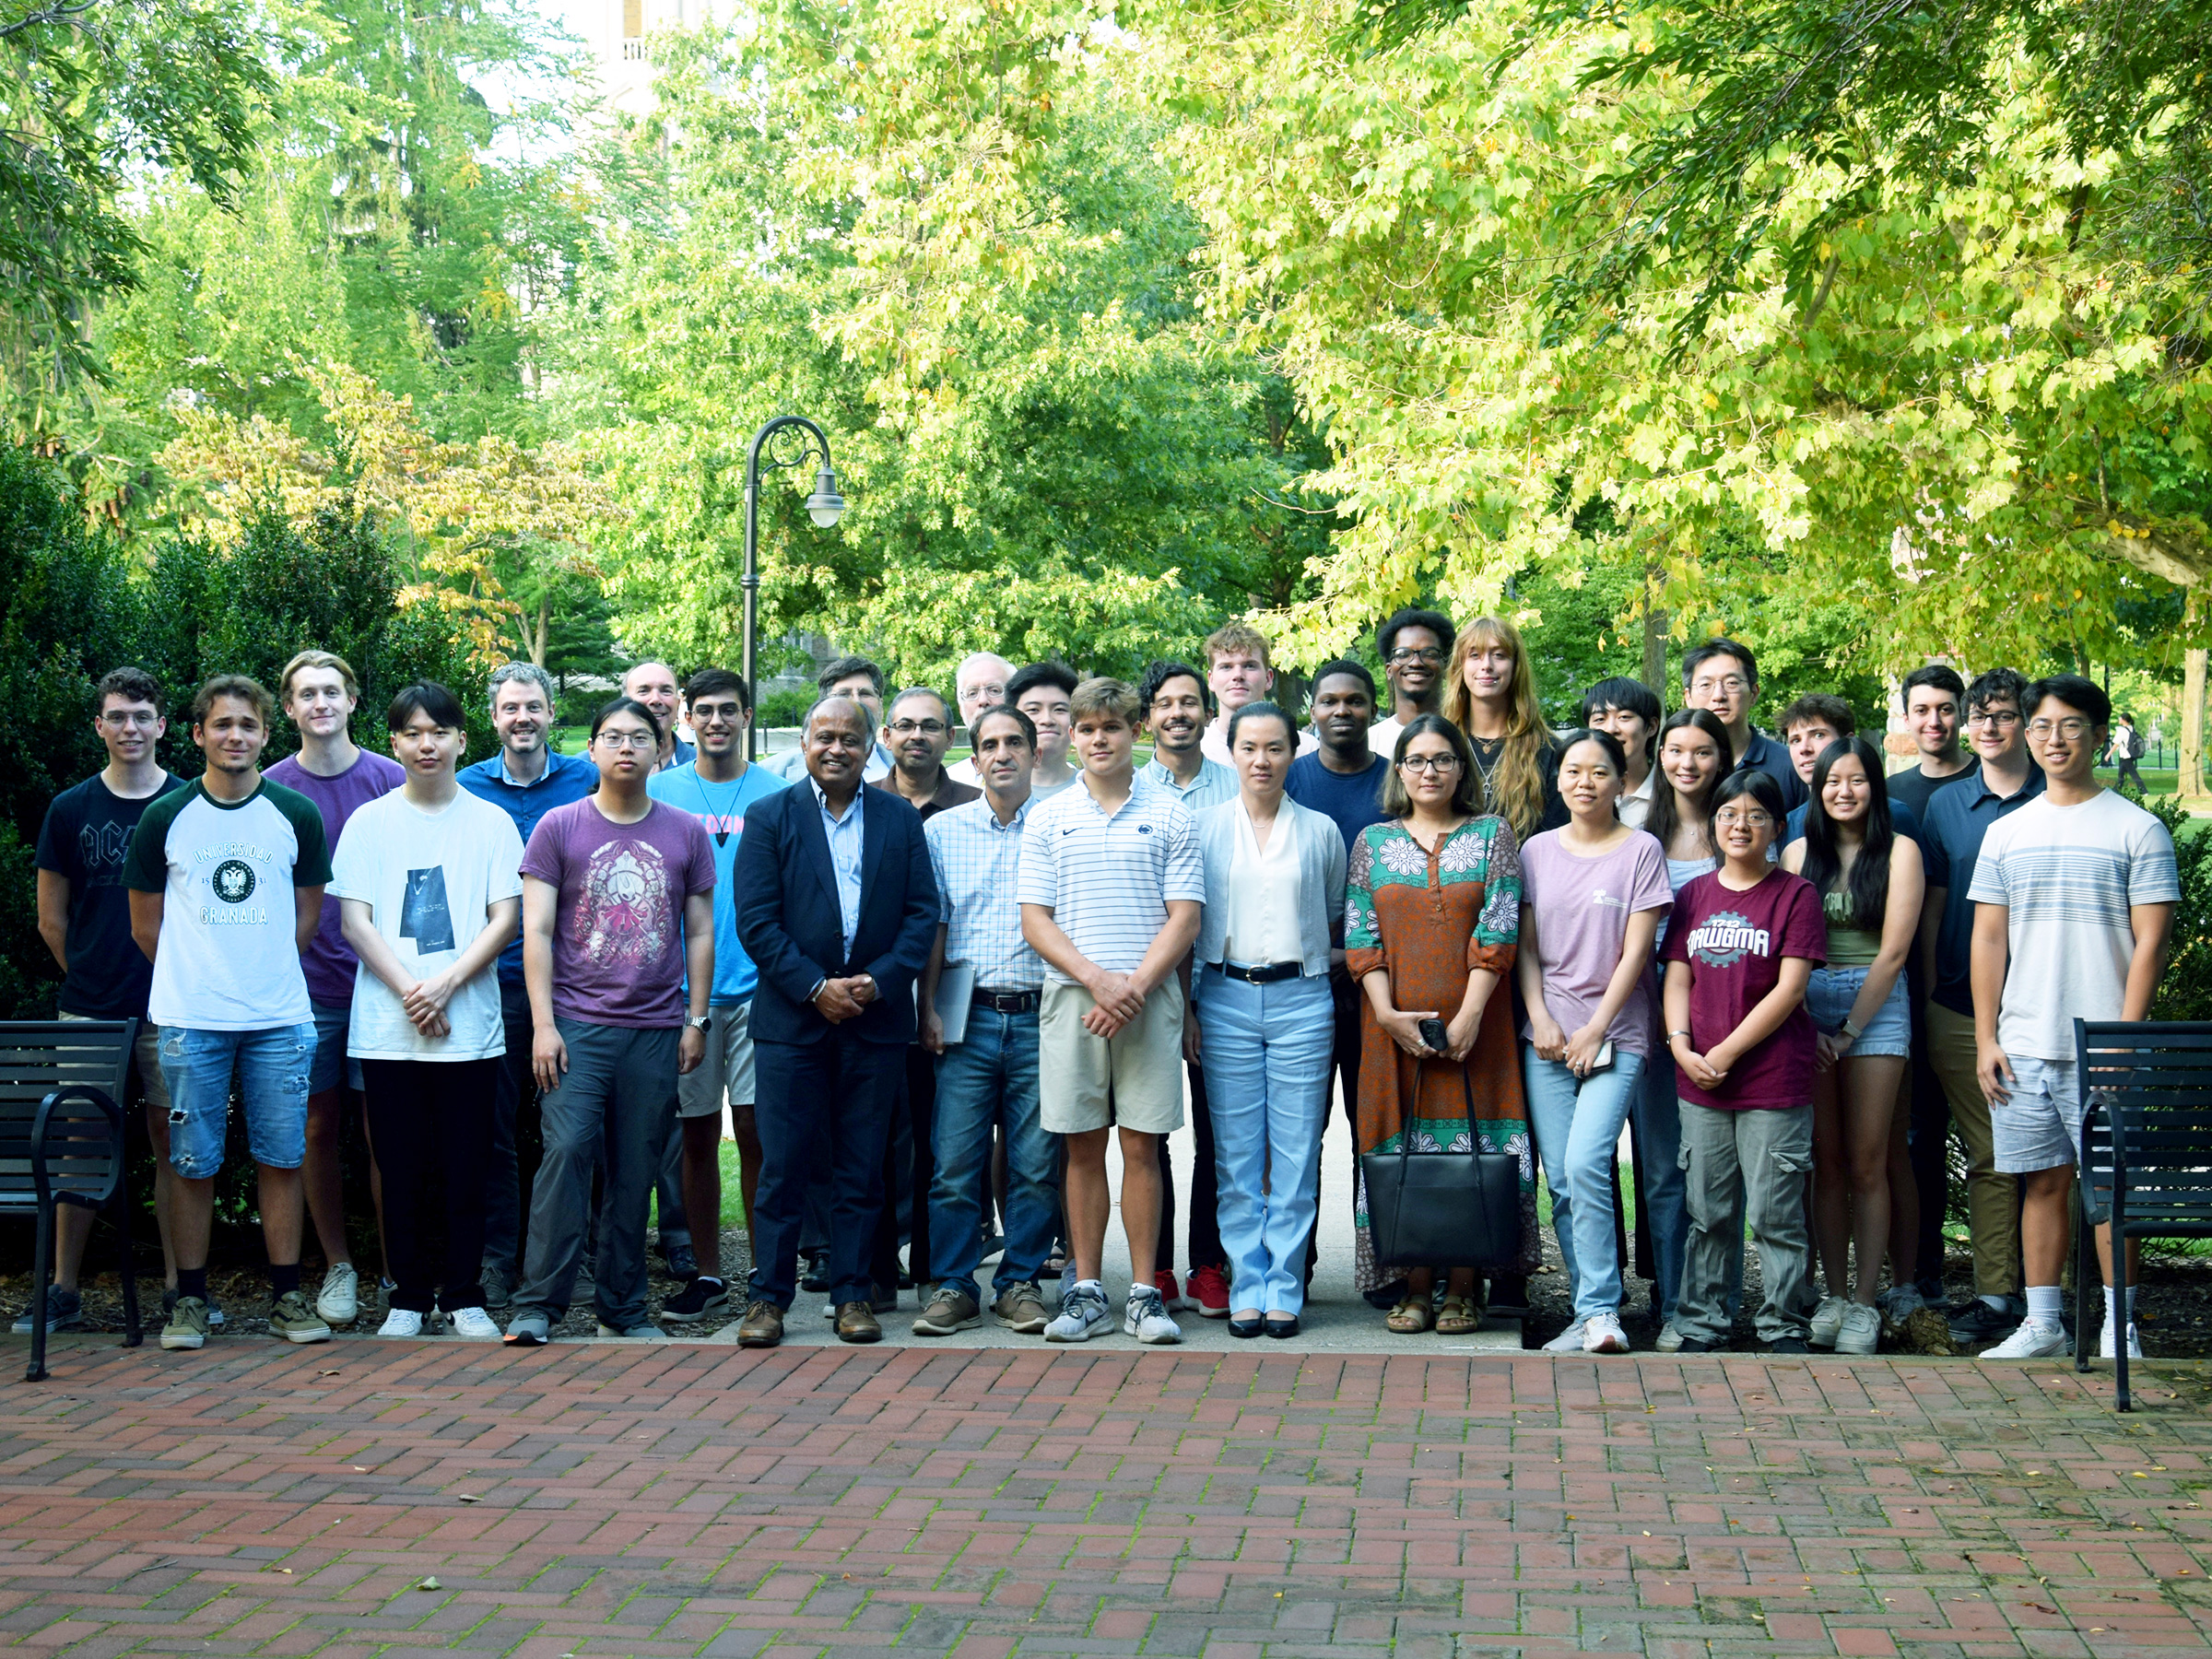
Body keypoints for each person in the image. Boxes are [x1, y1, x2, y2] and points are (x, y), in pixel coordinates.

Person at [124, 676, 335, 1350]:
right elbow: (145, 928)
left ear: (265, 734)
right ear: (196, 735)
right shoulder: (165, 818)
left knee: (281, 1156)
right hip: (189, 1019)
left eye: (247, 725)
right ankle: (190, 1302)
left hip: (279, 1017)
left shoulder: (295, 815)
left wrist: (258, 969)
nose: (235, 736)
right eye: (221, 725)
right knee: (191, 1162)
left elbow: (306, 918)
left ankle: (286, 1298)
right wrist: (205, 975)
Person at [1971, 675, 2177, 1360]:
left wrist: (2124, 1038)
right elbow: (1989, 940)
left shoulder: (2136, 828)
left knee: (2112, 1189)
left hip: (2105, 1045)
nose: (2053, 739)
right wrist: (1985, 1037)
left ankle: (2121, 1327)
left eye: (2069, 726)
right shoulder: (2006, 833)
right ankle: (2044, 1325)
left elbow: (2151, 941)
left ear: (2098, 732)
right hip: (2024, 1042)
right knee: (2041, 1183)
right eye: (2041, 727)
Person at [501, 697, 717, 1346]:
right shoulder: (559, 827)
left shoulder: (684, 831)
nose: (626, 747)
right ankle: (539, 1302)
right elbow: (535, 930)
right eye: (612, 736)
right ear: (591, 750)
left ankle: (623, 1309)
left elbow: (700, 930)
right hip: (576, 1027)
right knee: (565, 1155)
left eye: (640, 737)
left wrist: (696, 1019)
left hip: (655, 1029)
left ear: (659, 751)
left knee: (635, 1166)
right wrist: (544, 1025)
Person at [730, 693, 939, 1348]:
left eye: (851, 738)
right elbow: (756, 923)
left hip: (874, 1023)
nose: (837, 748)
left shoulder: (900, 820)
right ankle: (769, 1299)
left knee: (861, 1166)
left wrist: (876, 984)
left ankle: (854, 1295)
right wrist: (815, 987)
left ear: (869, 745)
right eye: (825, 736)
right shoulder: (769, 818)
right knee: (784, 1168)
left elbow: (920, 915)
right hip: (793, 1023)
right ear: (804, 740)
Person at [330, 682, 524, 1340]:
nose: (426, 744)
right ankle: (409, 1297)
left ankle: (465, 1292)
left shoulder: (491, 823)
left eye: (438, 732)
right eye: (412, 733)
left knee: (469, 1163)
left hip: (470, 1027)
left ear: (462, 740)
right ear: (394, 743)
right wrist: (413, 993)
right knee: (402, 1165)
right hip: (387, 1029)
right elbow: (355, 921)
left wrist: (444, 986)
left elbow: (506, 917)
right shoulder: (370, 822)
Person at [1018, 677, 1204, 1345]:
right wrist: (1098, 980)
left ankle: (1147, 1294)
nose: (1100, 739)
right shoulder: (1048, 815)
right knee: (1081, 1147)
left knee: (1143, 1146)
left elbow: (1185, 918)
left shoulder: (1173, 812)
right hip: (1075, 999)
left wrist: (1133, 988)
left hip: (1148, 1003)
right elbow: (1035, 919)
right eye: (1088, 728)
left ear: (1137, 734)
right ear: (1072, 736)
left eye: (1114, 728)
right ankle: (1088, 1289)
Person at [1347, 714, 1535, 1335]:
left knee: (1474, 1153)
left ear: (1462, 769)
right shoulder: (1372, 843)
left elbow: (1500, 924)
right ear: (1398, 770)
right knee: (1403, 1152)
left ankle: (1464, 1286)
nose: (1430, 771)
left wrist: (1471, 1015)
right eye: (1417, 760)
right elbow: (1359, 933)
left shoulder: (1491, 834)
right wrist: (1387, 1015)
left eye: (1443, 760)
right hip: (1390, 1031)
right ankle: (1416, 1286)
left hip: (1479, 1029)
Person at [19, 668, 186, 1338]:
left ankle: (183, 1288)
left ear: (163, 725)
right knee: (79, 1146)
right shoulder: (70, 809)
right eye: (117, 716)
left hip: (173, 1007)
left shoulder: (185, 804)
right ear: (99, 725)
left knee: (174, 1144)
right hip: (88, 1008)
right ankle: (62, 1288)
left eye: (142, 716)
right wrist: (90, 976)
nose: (130, 728)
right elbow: (49, 919)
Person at [1192, 701, 1347, 1337]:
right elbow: (1186, 919)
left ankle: (1284, 1281)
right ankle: (1245, 1280)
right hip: (1223, 997)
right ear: (1230, 751)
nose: (1262, 760)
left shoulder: (1320, 831)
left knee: (1295, 1150)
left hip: (1302, 998)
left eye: (1275, 747)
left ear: (1294, 752)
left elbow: (1334, 910)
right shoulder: (1202, 826)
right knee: (1233, 1153)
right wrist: (1188, 1014)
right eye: (1249, 747)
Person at [1516, 729, 1672, 1356]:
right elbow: (1524, 949)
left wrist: (1596, 1026)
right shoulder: (1534, 851)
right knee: (1563, 1178)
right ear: (1558, 780)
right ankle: (1589, 1315)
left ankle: (1604, 1308)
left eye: (1599, 772)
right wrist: (1543, 1019)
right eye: (1574, 771)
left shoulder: (1641, 850)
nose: (1585, 782)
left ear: (1620, 780)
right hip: (1547, 1037)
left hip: (1618, 1032)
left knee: (1587, 1163)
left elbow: (1639, 951)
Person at [1661, 770, 1825, 1353]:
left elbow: (1790, 990)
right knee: (1708, 1213)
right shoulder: (1693, 896)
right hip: (1699, 1081)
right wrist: (1682, 1045)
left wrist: (1723, 1051)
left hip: (1772, 1080)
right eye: (1729, 814)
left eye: (1757, 816)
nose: (1741, 825)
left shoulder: (1795, 896)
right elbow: (1677, 975)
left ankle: (1783, 1324)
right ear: (1713, 825)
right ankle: (1701, 1322)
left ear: (1778, 828)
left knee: (1776, 1215)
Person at [265, 650, 404, 1329]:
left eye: (331, 691)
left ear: (352, 701)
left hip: (387, 987)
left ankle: (393, 1271)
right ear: (288, 709)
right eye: (305, 694)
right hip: (306, 992)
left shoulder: (394, 779)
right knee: (316, 1129)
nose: (320, 703)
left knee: (389, 1134)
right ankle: (339, 1268)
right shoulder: (265, 789)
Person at [646, 668, 789, 1325]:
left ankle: (765, 1276)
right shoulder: (659, 792)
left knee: (760, 1136)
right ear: (684, 716)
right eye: (703, 710)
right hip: (685, 996)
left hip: (763, 992)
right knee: (697, 1139)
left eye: (728, 710)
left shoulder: (779, 795)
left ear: (747, 716)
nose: (715, 722)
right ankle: (707, 1274)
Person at [457, 663, 599, 1308]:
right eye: (511, 708)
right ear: (493, 718)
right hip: (492, 984)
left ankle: (579, 1254)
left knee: (573, 1128)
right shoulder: (465, 788)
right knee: (492, 1132)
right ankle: (495, 1259)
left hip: (574, 985)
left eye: (534, 707)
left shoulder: (585, 780)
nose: (523, 718)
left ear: (551, 715)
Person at [914, 705, 1059, 1335]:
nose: (1002, 754)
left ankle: (1019, 1282)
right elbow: (935, 925)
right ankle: (952, 1285)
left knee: (1034, 1163)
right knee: (953, 1165)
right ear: (972, 759)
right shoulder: (944, 831)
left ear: (1033, 753)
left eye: (1014, 743)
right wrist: (927, 1009)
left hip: (1039, 1018)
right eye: (990, 745)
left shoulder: (1058, 826)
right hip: (967, 1020)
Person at [1782, 736, 1924, 1355]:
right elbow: (1784, 944)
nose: (1844, 791)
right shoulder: (1795, 852)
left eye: (1858, 780)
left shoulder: (1901, 852)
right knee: (1826, 1161)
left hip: (1876, 1008)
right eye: (1832, 780)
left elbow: (1893, 953)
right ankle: (1833, 1296)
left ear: (1876, 786)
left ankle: (1867, 1304)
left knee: (1869, 1161)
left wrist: (1847, 1033)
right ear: (1817, 788)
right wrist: (1807, 1025)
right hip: (1805, 1005)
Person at [1918, 666, 2041, 1347]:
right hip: (1961, 1008)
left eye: (2004, 715)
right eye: (1980, 716)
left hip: (2044, 1003)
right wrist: (1933, 987)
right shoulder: (1946, 808)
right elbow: (1935, 908)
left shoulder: (2055, 799)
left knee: (2056, 1158)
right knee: (1989, 1153)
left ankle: (2060, 1291)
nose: (1989, 727)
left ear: (2026, 722)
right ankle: (1999, 1298)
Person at [1285, 658, 1394, 1300]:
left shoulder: (1393, 782)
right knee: (1300, 1132)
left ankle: (1382, 1265)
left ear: (1372, 709)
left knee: (1372, 1128)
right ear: (1313, 711)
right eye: (1330, 701)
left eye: (1355, 701)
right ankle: (1290, 1270)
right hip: (1303, 985)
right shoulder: (1292, 779)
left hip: (1379, 986)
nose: (1342, 711)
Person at [870, 687, 979, 1302]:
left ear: (950, 737)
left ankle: (936, 1267)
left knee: (943, 1136)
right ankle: (877, 1267)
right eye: (905, 725)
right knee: (878, 1133)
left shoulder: (971, 804)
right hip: (876, 992)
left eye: (930, 726)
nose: (917, 735)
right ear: (886, 736)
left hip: (950, 993)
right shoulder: (863, 802)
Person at [1135, 657, 1237, 1315]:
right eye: (1166, 704)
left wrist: (1198, 1001)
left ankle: (1208, 1263)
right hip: (1141, 989)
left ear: (1208, 712)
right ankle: (1158, 1267)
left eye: (1189, 702)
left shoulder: (1237, 788)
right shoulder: (1125, 787)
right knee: (1148, 1132)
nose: (1178, 713)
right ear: (1147, 717)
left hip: (1215, 990)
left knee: (1212, 1133)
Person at [1636, 706, 1735, 1348]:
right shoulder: (1637, 833)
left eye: (1701, 751)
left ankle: (1719, 1301)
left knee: (1721, 1171)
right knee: (1663, 1168)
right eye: (1675, 750)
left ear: (1721, 759)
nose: (1687, 763)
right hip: (1648, 1015)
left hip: (1728, 1020)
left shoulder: (1741, 827)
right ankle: (1676, 1302)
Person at [1441, 615, 1566, 840]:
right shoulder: (1440, 744)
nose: (1486, 665)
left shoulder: (1549, 751)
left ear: (1515, 667)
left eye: (1499, 655)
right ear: (1460, 666)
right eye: (1474, 655)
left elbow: (1557, 841)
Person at [1681, 637, 1806, 811]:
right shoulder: (1679, 769)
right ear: (1688, 697)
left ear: (1754, 693)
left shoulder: (1789, 766)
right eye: (1705, 684)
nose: (1719, 695)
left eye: (1731, 683)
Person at [1198, 623, 1317, 763]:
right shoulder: (1196, 750)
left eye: (1249, 666)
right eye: (1226, 667)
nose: (1237, 675)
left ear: (1268, 678)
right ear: (1211, 680)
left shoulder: (1306, 750)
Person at [767, 657, 894, 782]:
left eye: (865, 693)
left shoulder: (903, 768)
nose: (856, 701)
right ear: (823, 705)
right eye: (844, 694)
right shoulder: (774, 772)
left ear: (881, 704)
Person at [1887, 665, 1978, 818]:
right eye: (1922, 711)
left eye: (1945, 709)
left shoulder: (1989, 777)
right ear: (1907, 720)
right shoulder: (1890, 791)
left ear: (1962, 716)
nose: (1934, 722)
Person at [1370, 607, 1455, 758]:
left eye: (1429, 654)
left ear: (1446, 666)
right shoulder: (1369, 743)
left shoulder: (1464, 735)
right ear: (1389, 670)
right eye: (1403, 654)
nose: (1416, 663)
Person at [1582, 677, 1664, 830]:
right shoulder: (1577, 794)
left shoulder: (1672, 792)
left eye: (1624, 717)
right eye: (1600, 719)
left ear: (1652, 726)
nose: (1611, 729)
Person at [1009, 661, 1081, 799]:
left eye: (1059, 709)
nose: (1047, 720)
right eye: (1033, 710)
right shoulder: (996, 793)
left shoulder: (1095, 791)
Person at [946, 652, 1015, 787]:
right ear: (961, 710)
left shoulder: (1047, 780)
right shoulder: (950, 782)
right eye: (972, 693)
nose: (983, 700)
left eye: (994, 690)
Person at [622, 660, 696, 771]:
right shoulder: (593, 767)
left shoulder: (702, 767)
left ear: (678, 703)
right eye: (643, 691)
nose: (655, 699)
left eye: (666, 691)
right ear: (624, 702)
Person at [2112, 712, 2148, 794]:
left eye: (2120, 718)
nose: (2119, 719)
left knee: (2134, 774)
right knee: (2121, 775)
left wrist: (2108, 754)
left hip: (2125, 756)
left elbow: (2116, 744)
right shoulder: (2131, 728)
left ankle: (2144, 791)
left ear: (2124, 720)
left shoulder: (2122, 730)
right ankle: (2116, 790)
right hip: (2129, 755)